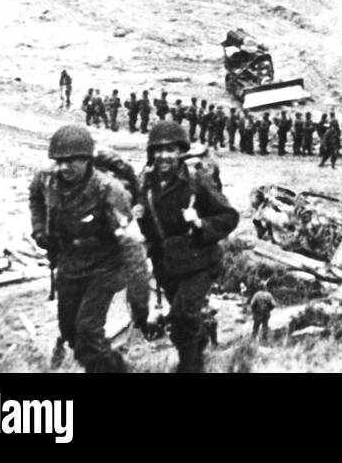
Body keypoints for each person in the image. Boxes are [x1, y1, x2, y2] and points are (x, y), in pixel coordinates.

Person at [135, 121, 239, 373]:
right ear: (151, 154)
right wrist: (137, 218)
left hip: (200, 262)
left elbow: (229, 216)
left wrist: (200, 223)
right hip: (167, 266)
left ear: (181, 152)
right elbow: (148, 229)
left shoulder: (196, 181)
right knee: (182, 323)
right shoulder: (145, 184)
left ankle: (191, 366)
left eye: (171, 150)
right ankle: (197, 352)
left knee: (183, 316)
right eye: (158, 150)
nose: (164, 156)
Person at [28, 125, 134, 373]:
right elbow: (35, 198)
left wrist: (138, 297)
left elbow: (130, 240)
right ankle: (114, 367)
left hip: (104, 267)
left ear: (87, 159)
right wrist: (39, 229)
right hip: (69, 263)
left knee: (88, 331)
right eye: (60, 161)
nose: (65, 167)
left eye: (72, 160)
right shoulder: (46, 178)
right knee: (71, 333)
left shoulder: (108, 189)